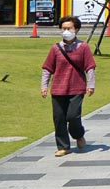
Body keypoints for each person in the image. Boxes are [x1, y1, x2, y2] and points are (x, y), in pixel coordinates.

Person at [41, 16, 96, 157]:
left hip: (77, 88)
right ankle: (63, 146)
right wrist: (44, 86)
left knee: (72, 116)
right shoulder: (55, 48)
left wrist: (91, 85)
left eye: (69, 28)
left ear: (76, 29)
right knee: (59, 118)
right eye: (64, 28)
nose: (66, 31)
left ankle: (78, 135)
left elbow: (90, 67)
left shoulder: (83, 47)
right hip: (58, 88)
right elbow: (47, 68)